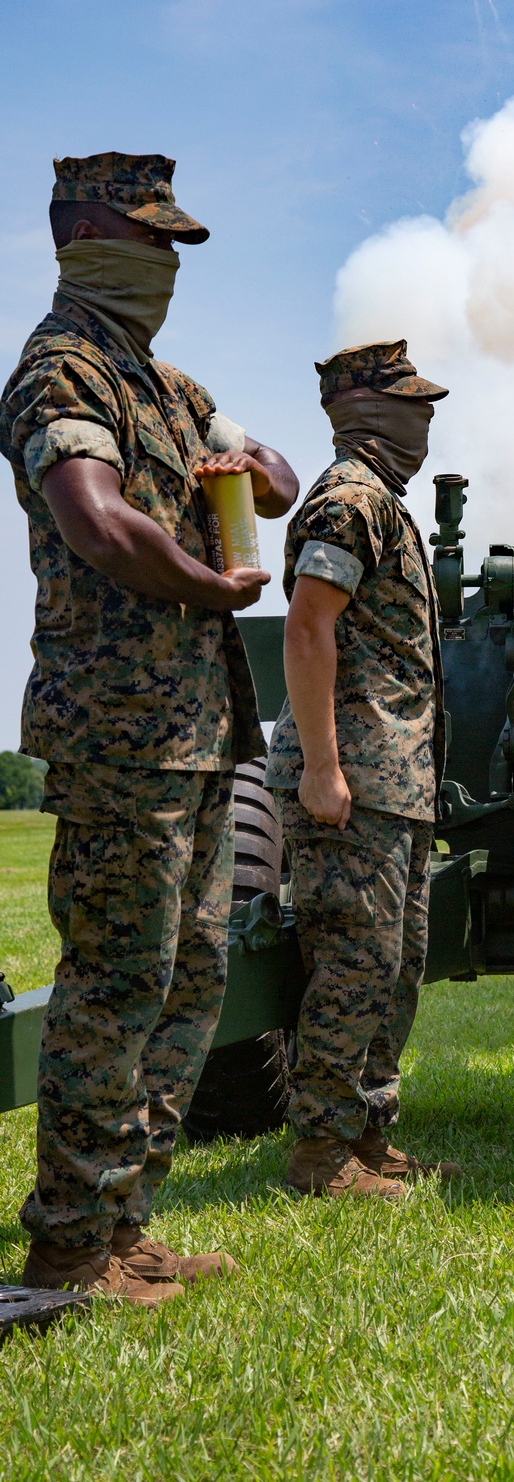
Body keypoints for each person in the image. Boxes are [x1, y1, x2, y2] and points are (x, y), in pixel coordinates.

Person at [0, 153, 299, 1303]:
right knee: (118, 984)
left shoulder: (165, 384)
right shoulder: (60, 373)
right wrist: (203, 583)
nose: (168, 264)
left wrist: (250, 467)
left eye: (177, 244)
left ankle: (128, 1223)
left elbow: (271, 475)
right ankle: (71, 1241)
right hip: (120, 730)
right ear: (84, 234)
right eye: (152, 238)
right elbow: (96, 519)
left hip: (199, 729)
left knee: (190, 983)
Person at [265, 339, 460, 1199]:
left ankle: (368, 1136)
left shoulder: (383, 501)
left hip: (397, 782)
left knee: (395, 962)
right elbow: (308, 628)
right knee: (353, 963)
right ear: (371, 410)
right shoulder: (348, 500)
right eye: (411, 403)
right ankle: (321, 1152)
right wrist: (321, 769)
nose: (425, 420)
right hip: (356, 781)